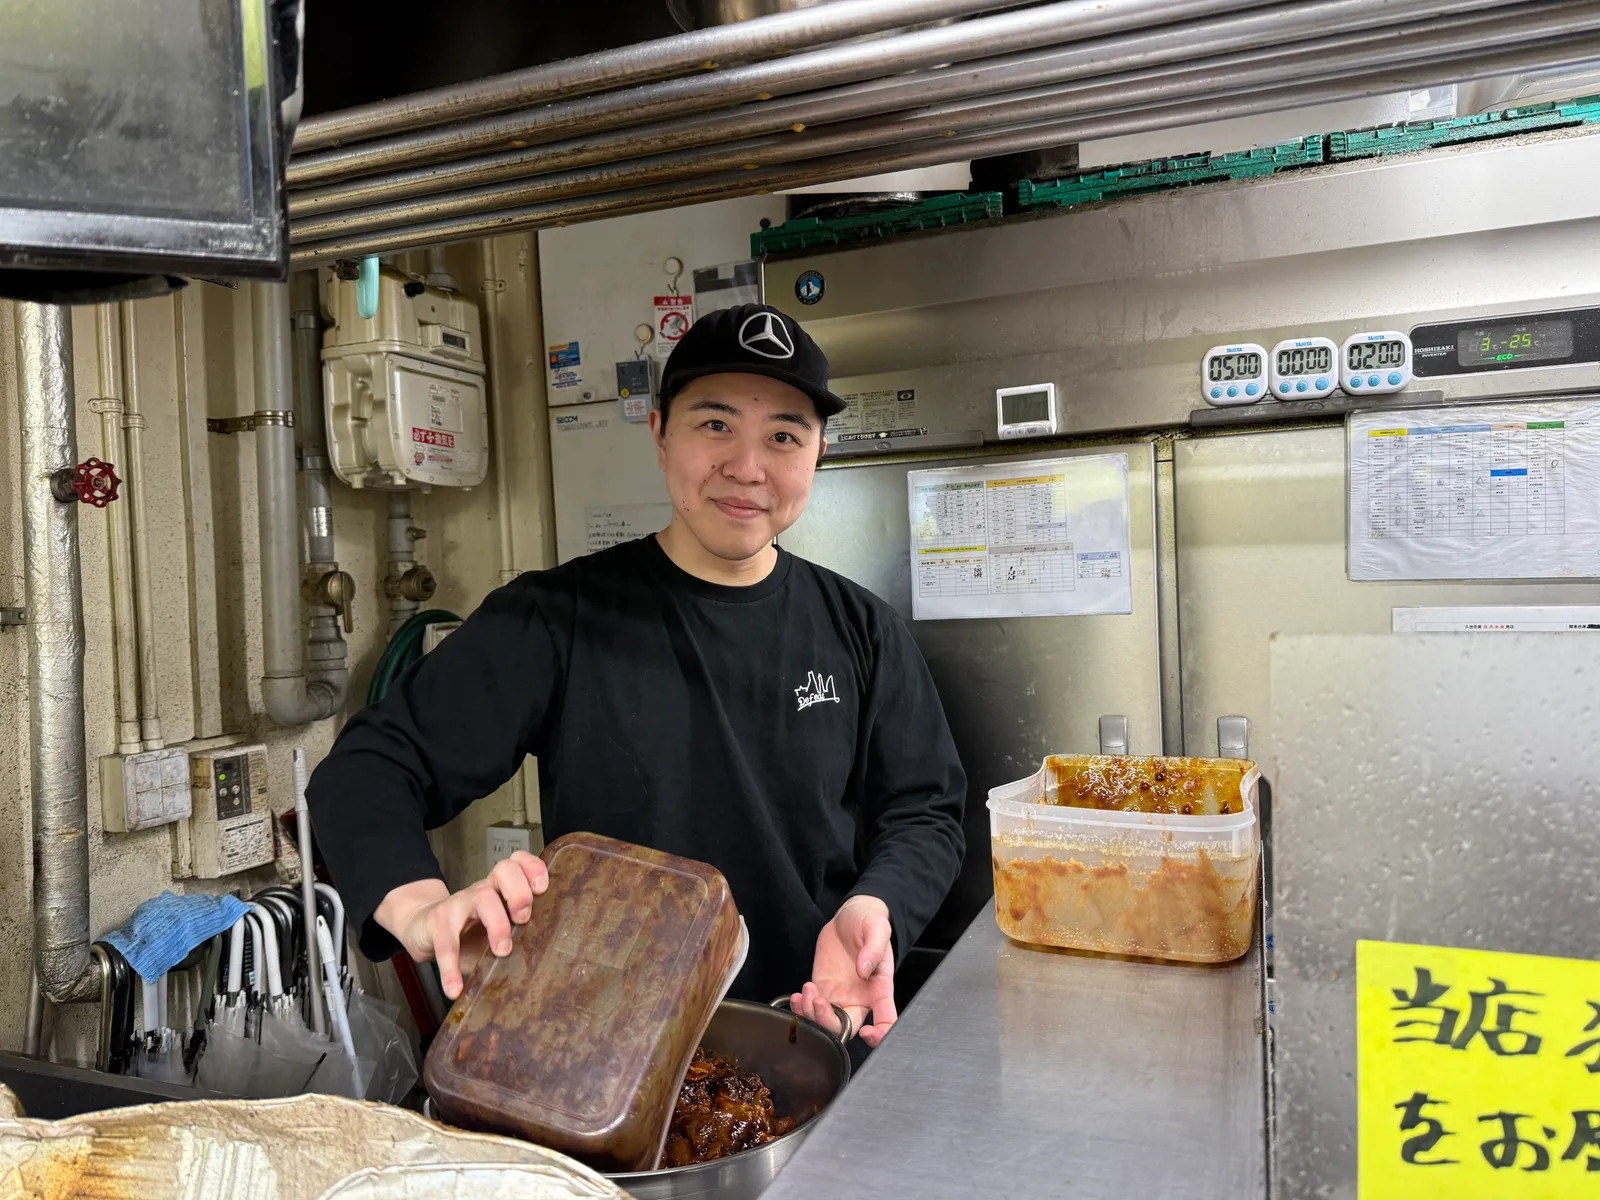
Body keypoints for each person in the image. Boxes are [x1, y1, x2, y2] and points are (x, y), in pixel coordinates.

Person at [307, 302, 965, 1047]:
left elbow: (926, 810)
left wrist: (879, 906)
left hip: (809, 1034)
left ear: (816, 454)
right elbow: (366, 770)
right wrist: (421, 907)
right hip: (601, 1055)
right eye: (715, 425)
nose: (747, 468)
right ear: (659, 435)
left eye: (783, 436)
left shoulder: (862, 629)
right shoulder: (557, 619)